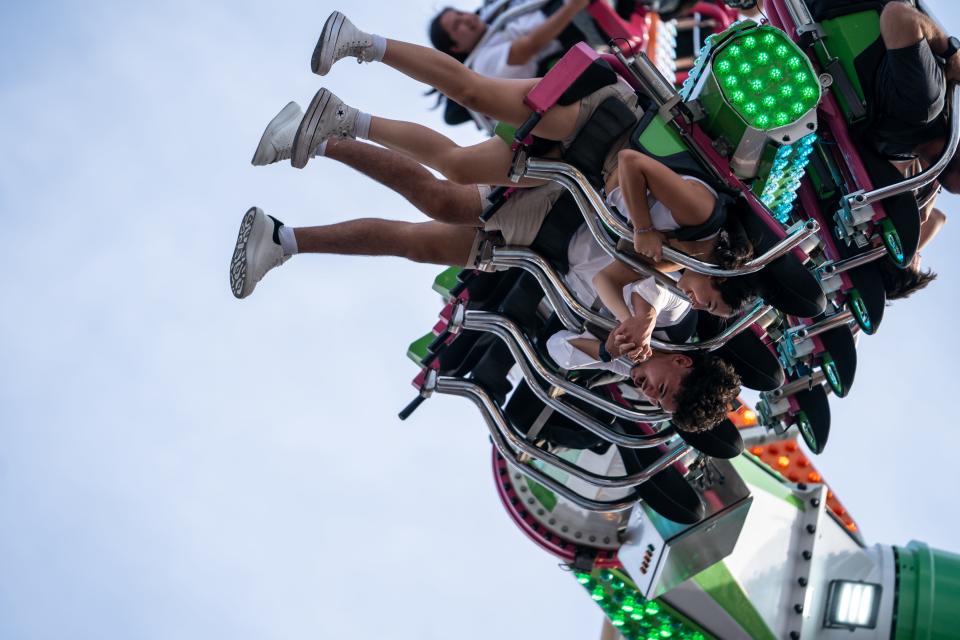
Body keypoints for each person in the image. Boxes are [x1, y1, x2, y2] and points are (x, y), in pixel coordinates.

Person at [252, 11, 756, 309]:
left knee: (450, 181)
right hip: (604, 120)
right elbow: (630, 161)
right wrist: (644, 228)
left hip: (573, 170)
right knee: (474, 94)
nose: (692, 302)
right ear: (719, 278)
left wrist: (629, 324)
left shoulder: (675, 262)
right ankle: (360, 42)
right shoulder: (699, 218)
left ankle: (340, 124)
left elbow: (610, 280)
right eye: (705, 301)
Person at [428, 0, 588, 79]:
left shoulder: (491, 16)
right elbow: (528, 47)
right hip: (574, 29)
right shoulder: (481, 64)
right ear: (456, 48)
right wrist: (572, 7)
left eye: (460, 14)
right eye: (457, 26)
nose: (466, 19)